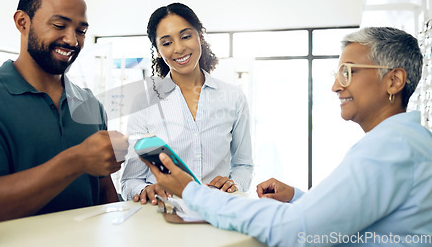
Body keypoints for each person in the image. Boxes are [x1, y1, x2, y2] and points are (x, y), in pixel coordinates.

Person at [144, 27, 432, 246]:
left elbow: (294, 230)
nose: (335, 86)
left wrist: (193, 192)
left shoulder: (389, 147)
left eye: (347, 72)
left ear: (393, 80)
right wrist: (297, 198)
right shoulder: (407, 140)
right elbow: (363, 217)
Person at [0, 0, 128, 224]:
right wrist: (76, 160)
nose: (72, 40)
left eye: (81, 31)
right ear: (22, 22)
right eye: (59, 25)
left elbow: (104, 190)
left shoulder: (90, 104)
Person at [121, 3, 253, 204]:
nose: (179, 48)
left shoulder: (233, 97)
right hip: (162, 216)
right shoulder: (144, 102)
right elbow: (130, 180)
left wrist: (234, 185)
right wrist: (145, 189)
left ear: (200, 37)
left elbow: (244, 165)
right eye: (167, 43)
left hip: (218, 212)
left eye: (185, 36)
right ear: (157, 50)